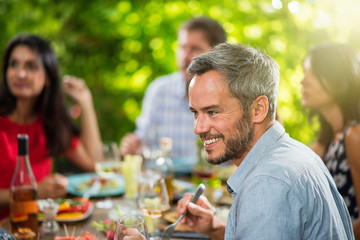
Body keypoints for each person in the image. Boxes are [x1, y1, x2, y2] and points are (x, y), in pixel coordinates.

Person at [176, 43, 354, 239]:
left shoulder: (267, 183)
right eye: (195, 113)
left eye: (213, 112)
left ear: (258, 109)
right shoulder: (295, 153)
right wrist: (214, 228)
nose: (198, 128)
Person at [0, 34, 102, 219]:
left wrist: (86, 103)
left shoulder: (49, 123)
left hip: (38, 227)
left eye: (31, 66)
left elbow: (95, 163)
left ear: (48, 77)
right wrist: (35, 191)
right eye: (13, 64)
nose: (20, 73)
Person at [120, 17, 226, 173]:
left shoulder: (231, 93)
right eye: (182, 47)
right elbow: (142, 143)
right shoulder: (158, 90)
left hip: (214, 185)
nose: (185, 56)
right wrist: (132, 146)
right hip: (165, 185)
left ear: (216, 54)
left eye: (195, 48)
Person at [301, 42, 360, 238]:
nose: (303, 82)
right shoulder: (328, 139)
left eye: (311, 74)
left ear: (336, 80)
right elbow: (295, 167)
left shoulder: (354, 136)